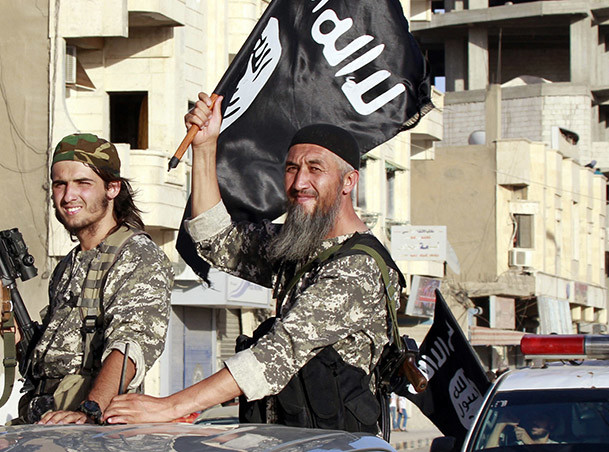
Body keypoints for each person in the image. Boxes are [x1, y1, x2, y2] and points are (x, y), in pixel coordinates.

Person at [104, 93, 402, 435]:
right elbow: (215, 240)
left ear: (349, 181)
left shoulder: (357, 269)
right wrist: (205, 146)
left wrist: (170, 407)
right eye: (292, 168)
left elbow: (276, 354)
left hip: (335, 444)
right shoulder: (303, 245)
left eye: (315, 169)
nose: (299, 182)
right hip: (287, 439)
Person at [0, 133, 174, 424]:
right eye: (60, 184)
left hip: (91, 434)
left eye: (83, 183)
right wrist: (0, 312)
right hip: (44, 425)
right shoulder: (68, 265)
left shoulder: (136, 255)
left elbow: (131, 346)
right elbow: (41, 363)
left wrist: (89, 413)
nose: (68, 196)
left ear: (113, 188)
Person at [486, 411, 557, 447]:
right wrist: (501, 423)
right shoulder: (517, 446)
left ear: (551, 425)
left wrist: (529, 443)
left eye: (540, 419)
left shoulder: (559, 447)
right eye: (532, 418)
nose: (534, 421)